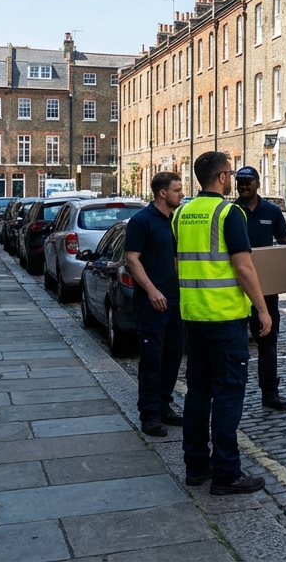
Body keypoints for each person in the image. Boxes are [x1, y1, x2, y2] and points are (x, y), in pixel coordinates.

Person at [175, 152, 273, 495]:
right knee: (229, 393)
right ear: (220, 178)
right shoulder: (228, 212)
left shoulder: (182, 213)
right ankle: (227, 473)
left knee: (198, 393)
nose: (232, 179)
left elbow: (180, 263)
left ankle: (196, 467)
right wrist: (262, 309)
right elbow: (244, 266)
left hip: (193, 316)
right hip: (226, 317)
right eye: (229, 174)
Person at [123, 171, 186, 438]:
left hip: (176, 300)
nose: (182, 194)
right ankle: (149, 414)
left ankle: (164, 405)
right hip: (153, 303)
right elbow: (131, 258)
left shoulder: (175, 221)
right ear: (162, 193)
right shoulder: (141, 221)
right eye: (177, 190)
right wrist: (152, 291)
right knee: (152, 359)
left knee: (173, 356)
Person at [233, 167, 286, 411]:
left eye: (248, 182)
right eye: (240, 183)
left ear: (258, 183)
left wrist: (282, 268)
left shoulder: (272, 211)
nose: (244, 187)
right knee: (236, 347)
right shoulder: (231, 211)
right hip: (235, 289)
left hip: (266, 289)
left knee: (268, 344)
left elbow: (285, 242)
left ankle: (270, 393)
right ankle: (234, 393)